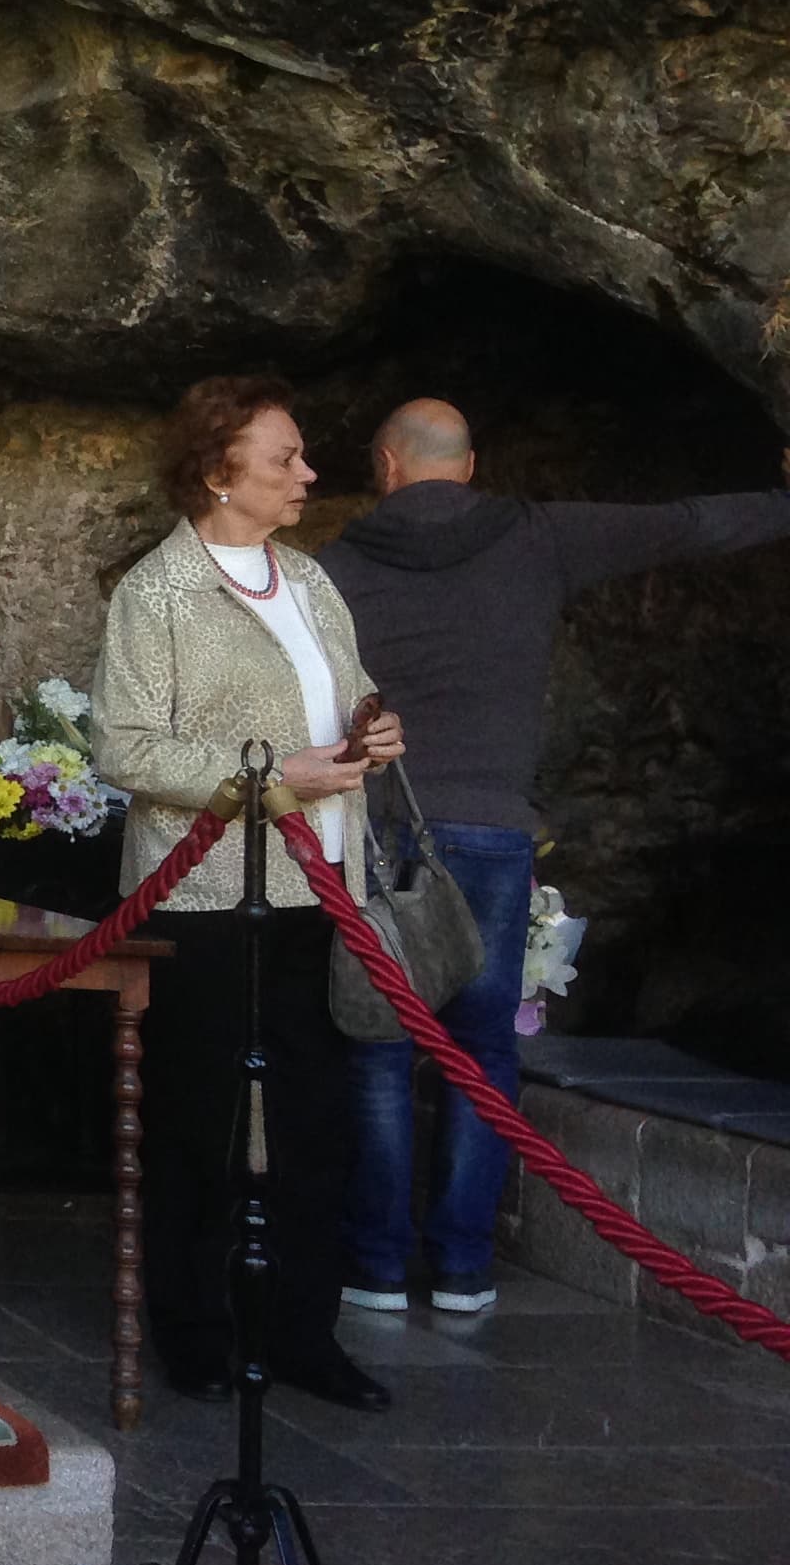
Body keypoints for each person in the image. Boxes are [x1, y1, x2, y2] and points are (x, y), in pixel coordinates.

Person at [316, 403, 790, 1317]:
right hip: (492, 829)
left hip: (373, 828)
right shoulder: (535, 536)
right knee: (483, 1047)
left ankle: (373, 1266)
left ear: (385, 464)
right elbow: (689, 526)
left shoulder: (331, 568)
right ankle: (460, 1267)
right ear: (471, 464)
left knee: (377, 1044)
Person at [95, 376, 402, 1412]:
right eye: (285, 459)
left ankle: (304, 1335)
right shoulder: (158, 592)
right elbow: (126, 749)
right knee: (202, 1121)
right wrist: (277, 778)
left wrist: (374, 730)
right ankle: (192, 1329)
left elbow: (346, 692)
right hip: (205, 895)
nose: (308, 475)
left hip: (323, 887)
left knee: (317, 1124)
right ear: (221, 472)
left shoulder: (311, 580)